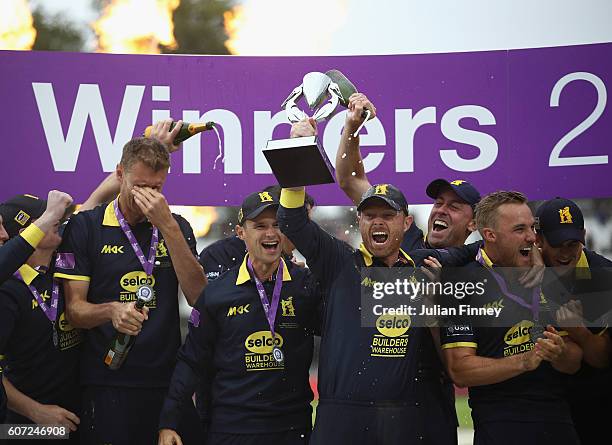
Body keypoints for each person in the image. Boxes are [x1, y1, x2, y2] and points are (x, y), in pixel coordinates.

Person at [54, 123, 206, 445]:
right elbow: (74, 312)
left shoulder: (175, 225)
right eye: (139, 186)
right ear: (120, 174)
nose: (146, 198)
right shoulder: (87, 226)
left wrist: (168, 227)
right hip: (107, 380)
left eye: (156, 188)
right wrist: (111, 310)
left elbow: (198, 297)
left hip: (166, 380)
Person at [278, 177, 449, 444]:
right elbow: (292, 221)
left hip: (403, 419)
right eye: (369, 215)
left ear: (406, 223)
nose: (377, 222)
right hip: (340, 418)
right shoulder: (339, 261)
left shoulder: (425, 271)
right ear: (359, 221)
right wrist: (296, 157)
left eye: (388, 215)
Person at [159, 190, 320, 445]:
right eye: (260, 226)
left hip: (291, 428)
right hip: (232, 429)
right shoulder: (217, 293)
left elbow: (344, 329)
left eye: (277, 225)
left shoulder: (306, 286)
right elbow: (191, 359)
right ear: (240, 232)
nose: (270, 233)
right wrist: (169, 421)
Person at [441, 191, 583, 445]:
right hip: (500, 426)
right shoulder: (461, 282)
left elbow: (575, 361)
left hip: (560, 422)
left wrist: (560, 353)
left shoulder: (547, 273)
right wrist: (523, 362)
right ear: (490, 235)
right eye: (519, 229)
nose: (531, 237)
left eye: (531, 227)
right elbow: (459, 369)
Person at [0, 195, 81, 443]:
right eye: (46, 215)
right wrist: (36, 411)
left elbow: (89, 209)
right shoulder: (8, 291)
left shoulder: (62, 267)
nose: (58, 218)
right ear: (27, 232)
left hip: (75, 416)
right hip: (26, 425)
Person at [535, 197, 612, 445]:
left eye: (573, 243)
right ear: (539, 240)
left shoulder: (604, 278)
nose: (567, 253)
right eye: (558, 244)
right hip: (541, 401)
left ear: (584, 236)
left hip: (595, 405)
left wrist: (578, 331)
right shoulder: (521, 268)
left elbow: (601, 360)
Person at [0, 190, 73, 284]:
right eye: (43, 218)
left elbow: (78, 221)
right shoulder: (12, 287)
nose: (5, 235)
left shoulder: (59, 258)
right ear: (24, 232)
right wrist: (50, 215)